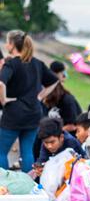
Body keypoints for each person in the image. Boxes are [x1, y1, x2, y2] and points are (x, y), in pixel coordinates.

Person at [0, 31, 58, 173]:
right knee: (27, 152)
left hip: (13, 113)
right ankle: (29, 186)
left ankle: (3, 185)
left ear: (12, 45)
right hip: (34, 113)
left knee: (1, 151)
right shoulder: (37, 63)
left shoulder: (11, 64)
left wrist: (3, 100)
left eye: (7, 42)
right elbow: (54, 81)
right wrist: (40, 96)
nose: (6, 45)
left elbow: (1, 83)